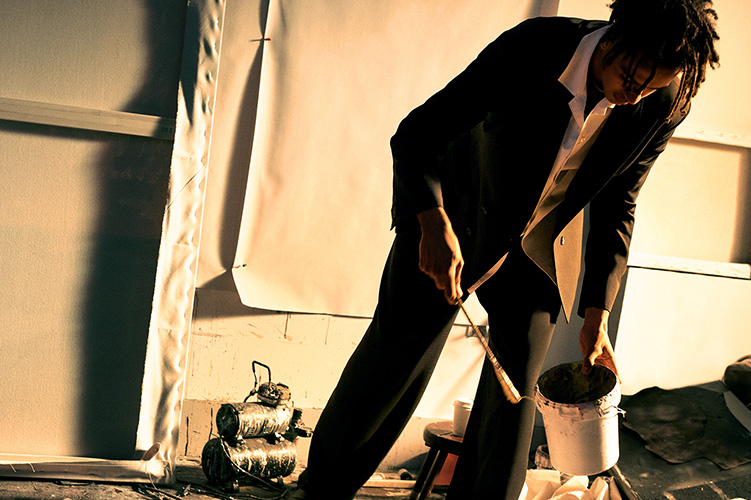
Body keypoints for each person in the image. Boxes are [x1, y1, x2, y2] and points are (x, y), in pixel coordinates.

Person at [289, 0, 720, 498]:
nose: (633, 95)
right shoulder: (533, 47)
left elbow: (619, 202)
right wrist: (430, 222)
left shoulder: (665, 102)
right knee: (394, 362)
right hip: (455, 216)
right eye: (630, 77)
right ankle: (320, 490)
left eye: (650, 86)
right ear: (613, 35)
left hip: (538, 247)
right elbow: (418, 133)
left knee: (515, 394)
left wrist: (597, 315)